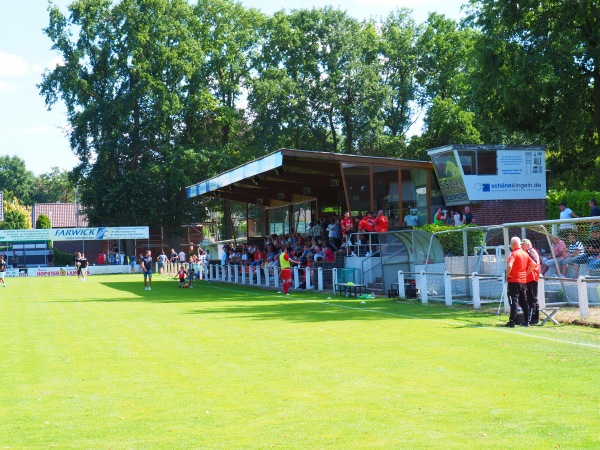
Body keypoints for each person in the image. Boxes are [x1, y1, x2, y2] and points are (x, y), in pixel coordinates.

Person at [505, 236, 535, 327]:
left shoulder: (513, 254)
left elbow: (510, 266)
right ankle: (527, 321)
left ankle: (512, 322)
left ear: (513, 244)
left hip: (514, 281)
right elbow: (533, 264)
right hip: (523, 281)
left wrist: (507, 275)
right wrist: (525, 274)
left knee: (513, 301)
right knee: (524, 301)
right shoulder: (525, 253)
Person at [521, 239, 540, 325]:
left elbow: (534, 263)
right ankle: (534, 318)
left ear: (528, 245)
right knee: (532, 298)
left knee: (531, 298)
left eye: (523, 245)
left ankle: (533, 318)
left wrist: (525, 274)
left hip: (531, 278)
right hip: (531, 277)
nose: (521, 247)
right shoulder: (531, 251)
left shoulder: (530, 252)